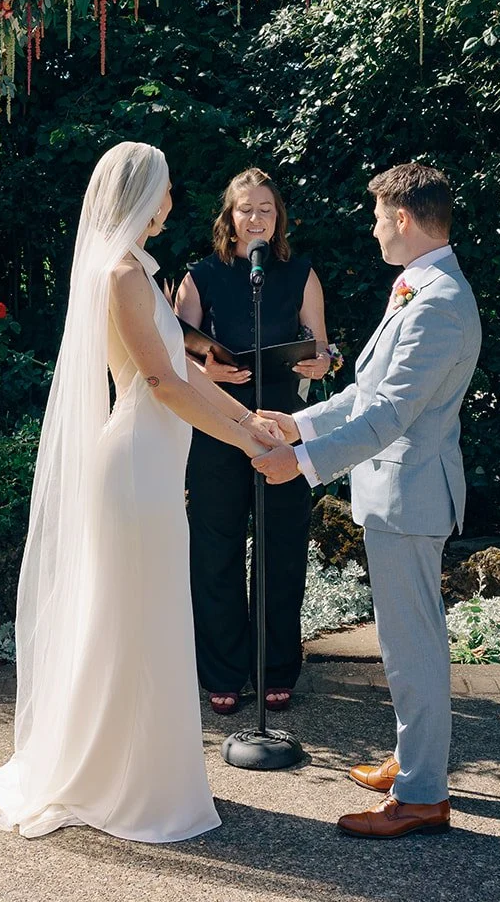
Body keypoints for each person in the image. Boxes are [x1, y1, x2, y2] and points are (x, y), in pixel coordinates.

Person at [0, 142, 281, 843]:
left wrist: (249, 418)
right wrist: (243, 443)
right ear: (147, 198)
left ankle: (131, 772)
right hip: (137, 467)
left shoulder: (139, 274)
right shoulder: (120, 275)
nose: (173, 201)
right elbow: (161, 384)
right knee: (137, 621)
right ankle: (123, 782)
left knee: (141, 619)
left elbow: (185, 369)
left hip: (152, 464)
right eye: (167, 189)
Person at [253, 162, 481, 841]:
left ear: (403, 220)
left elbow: (391, 414)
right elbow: (365, 392)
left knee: (412, 650)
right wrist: (301, 422)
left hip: (410, 497)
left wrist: (298, 464)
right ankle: (413, 764)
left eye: (378, 216)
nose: (373, 226)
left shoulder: (436, 301)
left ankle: (420, 797)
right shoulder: (418, 286)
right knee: (401, 643)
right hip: (395, 493)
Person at [174, 167, 332, 716]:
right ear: (230, 217)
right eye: (247, 208)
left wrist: (322, 358)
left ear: (278, 216)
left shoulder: (302, 273)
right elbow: (176, 351)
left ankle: (275, 669)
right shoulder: (199, 275)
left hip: (282, 427)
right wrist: (208, 371)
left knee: (281, 549)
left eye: (267, 207)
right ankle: (221, 670)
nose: (257, 217)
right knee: (215, 549)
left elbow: (322, 345)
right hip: (217, 426)